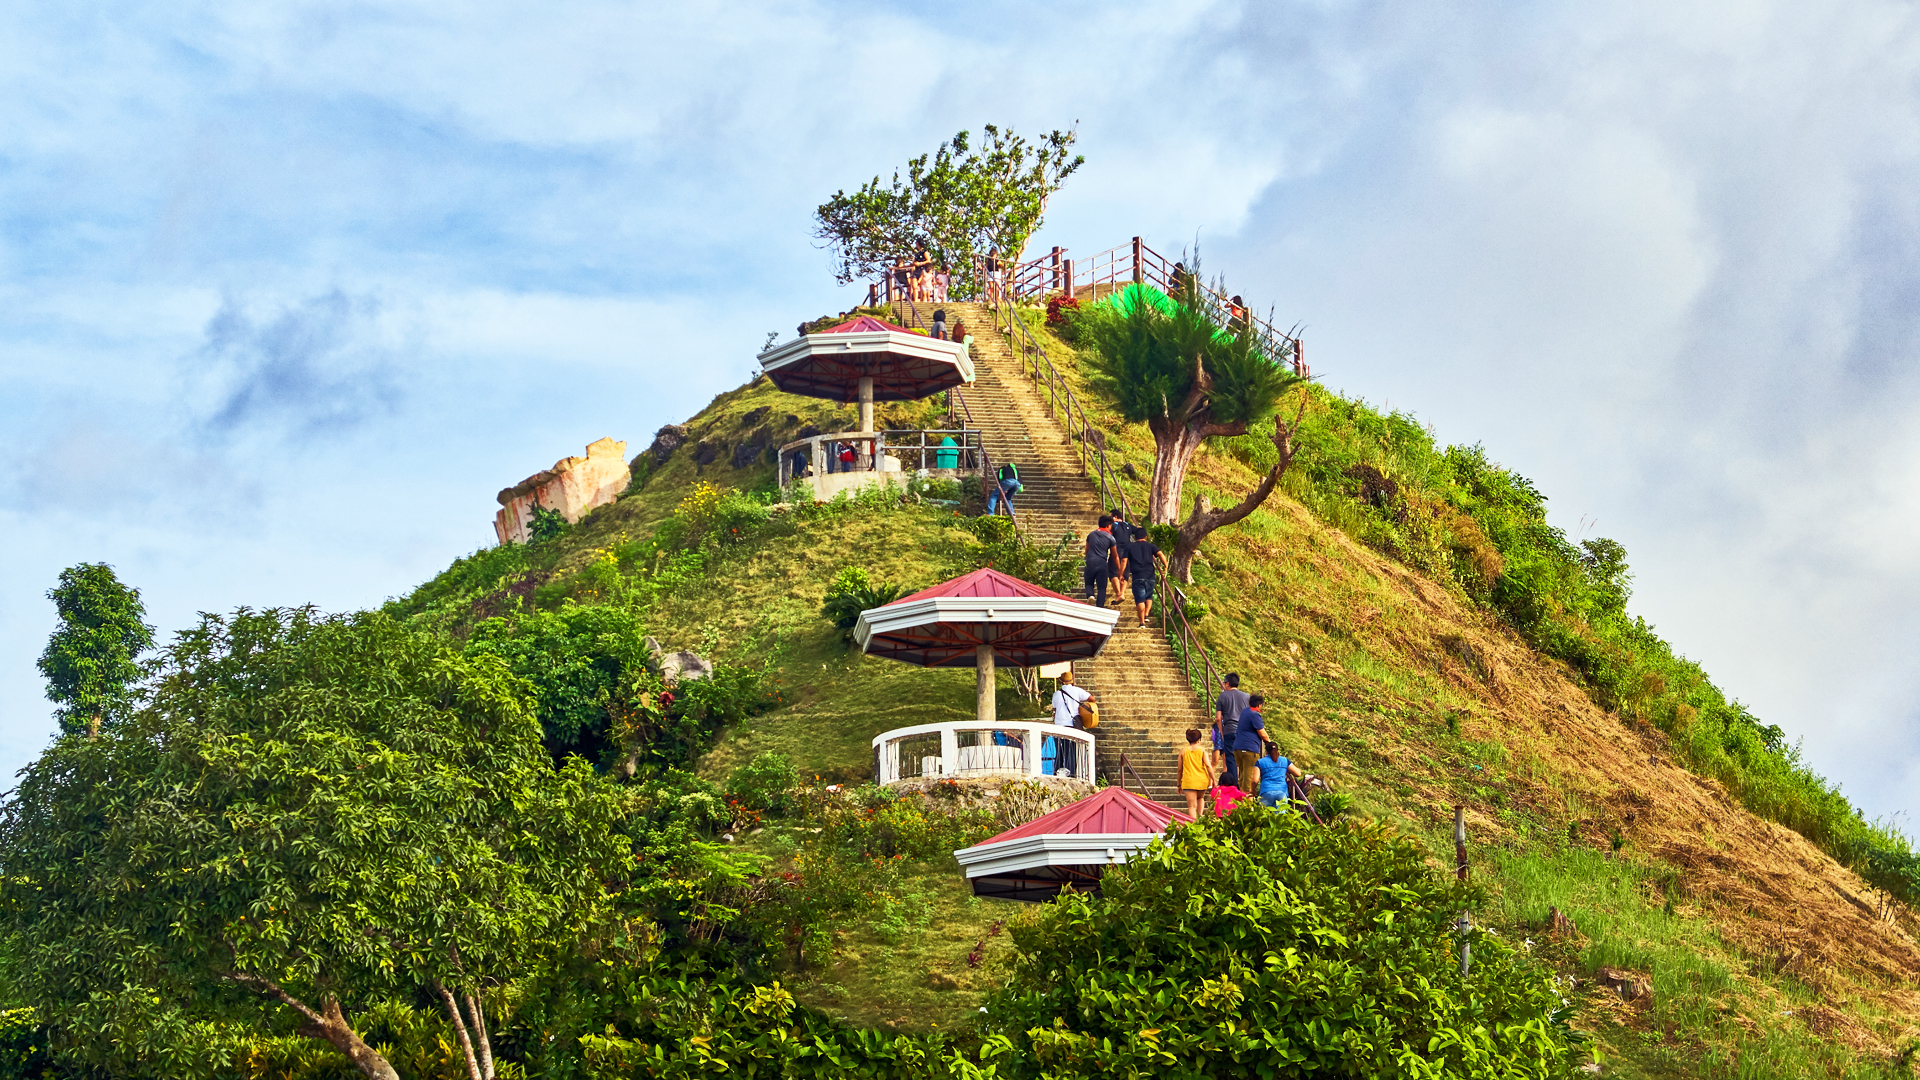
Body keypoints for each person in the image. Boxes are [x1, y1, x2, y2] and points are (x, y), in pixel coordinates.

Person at [1049, 671, 1093, 778]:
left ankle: (1057, 773)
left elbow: (1055, 709)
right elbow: (1092, 699)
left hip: (1059, 727)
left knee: (1059, 751)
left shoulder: (1056, 694)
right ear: (1071, 680)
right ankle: (1072, 774)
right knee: (1071, 752)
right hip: (1071, 725)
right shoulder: (1077, 691)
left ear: (1061, 681)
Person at [1118, 529, 1161, 627]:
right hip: (1150, 575)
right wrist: (1165, 566)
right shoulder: (1150, 546)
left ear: (1134, 537)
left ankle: (1142, 623)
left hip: (1137, 576)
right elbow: (1160, 554)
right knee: (1149, 596)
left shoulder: (1129, 547)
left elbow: (1124, 561)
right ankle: (1146, 615)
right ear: (1146, 537)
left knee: (1140, 600)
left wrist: (1121, 574)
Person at [1214, 673, 1249, 788]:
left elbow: (1218, 718)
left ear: (1227, 683)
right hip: (1244, 733)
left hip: (1229, 730)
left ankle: (1234, 786)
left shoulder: (1222, 697)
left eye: (1224, 683)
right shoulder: (1246, 697)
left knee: (1231, 758)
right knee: (1244, 757)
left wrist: (1222, 733)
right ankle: (1245, 785)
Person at [1233, 694, 1271, 795]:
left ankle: (1240, 803)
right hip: (1249, 750)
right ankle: (1247, 807)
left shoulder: (1245, 711)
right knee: (1249, 781)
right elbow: (1263, 734)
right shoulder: (1254, 714)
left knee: (1242, 778)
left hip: (1238, 749)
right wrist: (1270, 745)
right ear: (1259, 705)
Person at [1083, 515, 1119, 607]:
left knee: (1089, 583)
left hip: (1090, 562)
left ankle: (1090, 595)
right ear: (1108, 526)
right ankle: (1100, 607)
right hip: (1102, 563)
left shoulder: (1091, 535)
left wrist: (1088, 559)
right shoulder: (1111, 538)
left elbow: (1086, 550)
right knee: (1102, 588)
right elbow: (1114, 555)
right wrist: (1119, 568)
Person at [1178, 728, 1212, 820]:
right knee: (1201, 798)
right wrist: (1213, 780)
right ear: (1198, 740)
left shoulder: (1183, 751)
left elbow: (1179, 770)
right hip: (1202, 780)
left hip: (1188, 781)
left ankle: (1194, 825)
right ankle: (1200, 818)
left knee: (1192, 806)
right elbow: (1208, 766)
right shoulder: (1202, 750)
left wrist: (1178, 784)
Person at [1257, 741, 1302, 810]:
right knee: (1280, 818)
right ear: (1277, 751)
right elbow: (1298, 773)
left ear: (1266, 751)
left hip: (1266, 791)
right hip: (1281, 792)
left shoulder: (1260, 762)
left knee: (1263, 817)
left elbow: (1255, 780)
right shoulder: (1284, 761)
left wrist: (1253, 791)